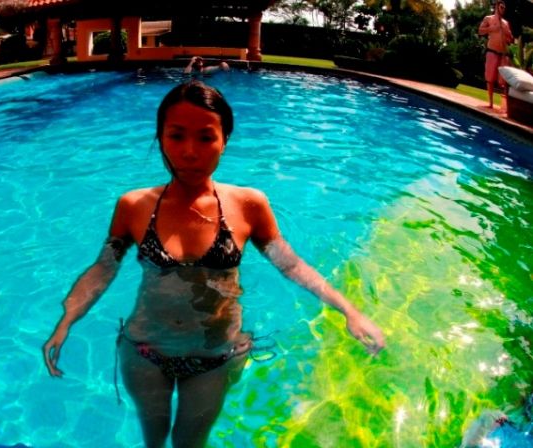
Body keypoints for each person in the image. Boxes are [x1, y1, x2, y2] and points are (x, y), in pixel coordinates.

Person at [43, 81, 385, 448]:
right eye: (176, 136)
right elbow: (103, 268)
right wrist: (67, 320)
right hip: (145, 350)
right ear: (160, 137)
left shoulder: (248, 205)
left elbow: (290, 265)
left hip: (215, 354)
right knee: (153, 439)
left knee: (189, 443)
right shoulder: (134, 206)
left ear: (225, 140)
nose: (190, 152)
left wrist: (348, 310)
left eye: (206, 137)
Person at [478, 0, 514, 110]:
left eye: (504, 8)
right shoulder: (488, 19)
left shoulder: (505, 23)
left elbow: (511, 39)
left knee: (504, 81)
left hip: (503, 54)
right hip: (492, 51)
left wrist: (509, 35)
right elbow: (480, 31)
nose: (503, 10)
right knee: (490, 78)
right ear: (497, 7)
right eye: (501, 7)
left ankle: (507, 106)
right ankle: (491, 103)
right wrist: (491, 29)